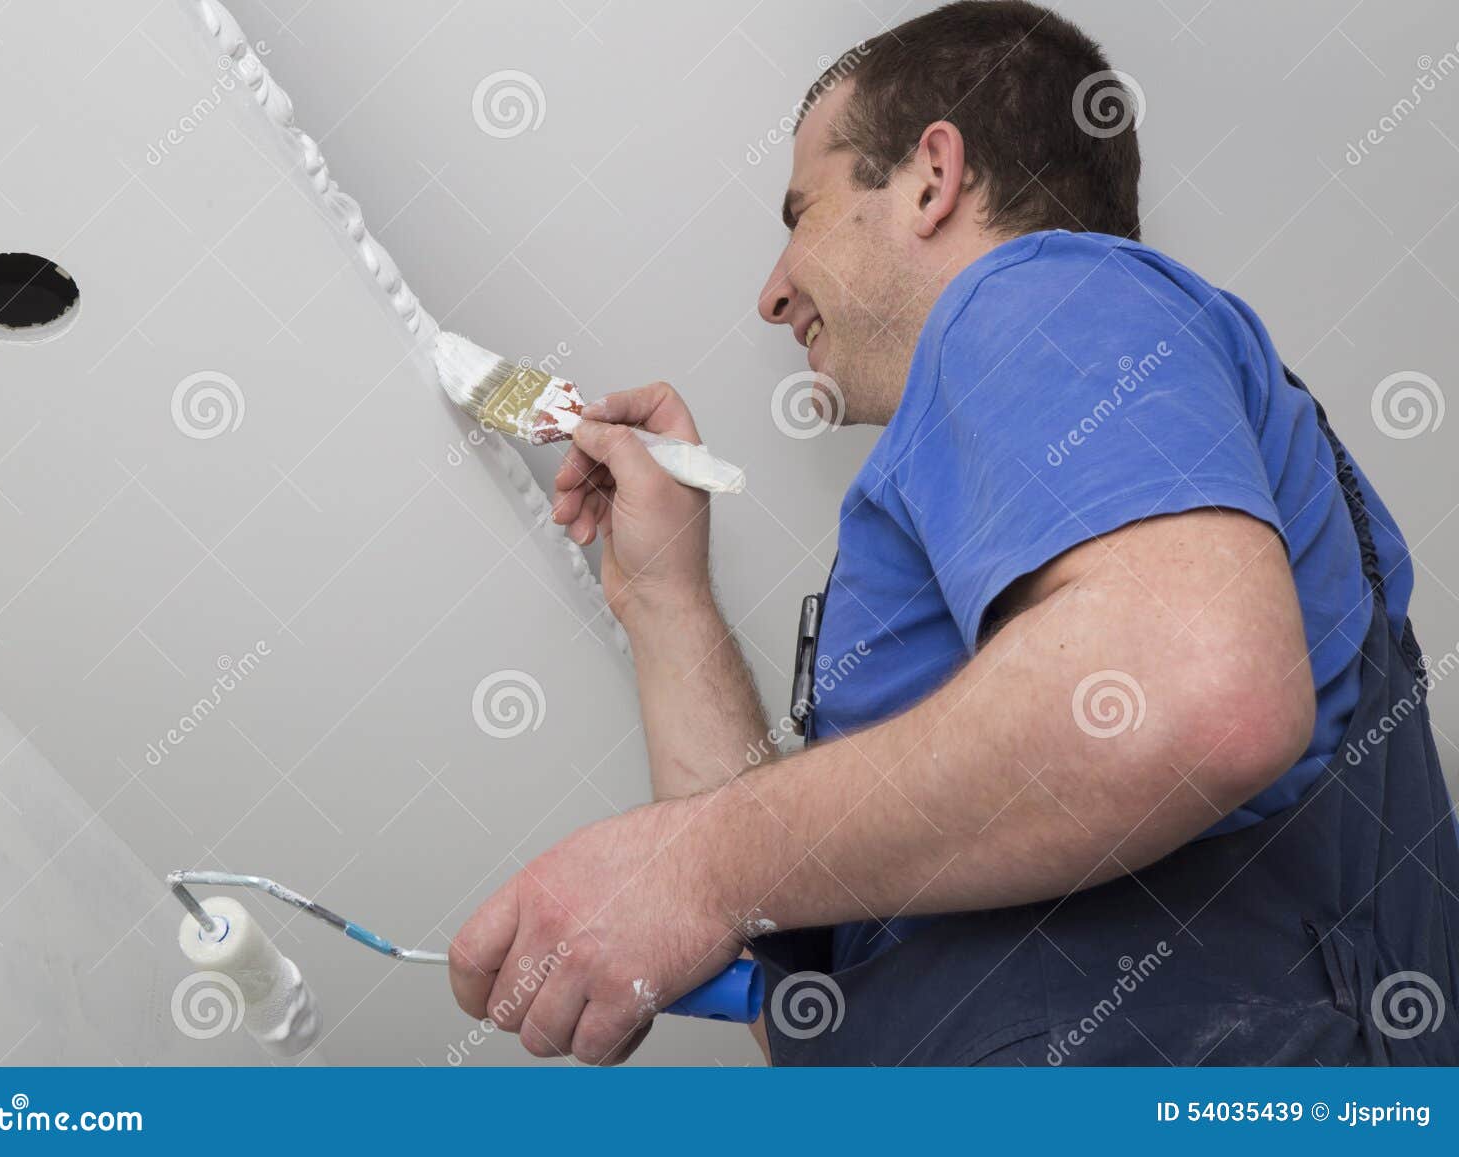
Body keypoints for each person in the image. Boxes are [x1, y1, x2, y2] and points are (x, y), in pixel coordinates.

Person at [446, 0, 1459, 1065]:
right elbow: (789, 965)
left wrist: (692, 863)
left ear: (932, 177)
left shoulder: (1040, 290)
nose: (771, 291)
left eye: (800, 210)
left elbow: (1197, 699)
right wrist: (664, 595)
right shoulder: (1012, 513)